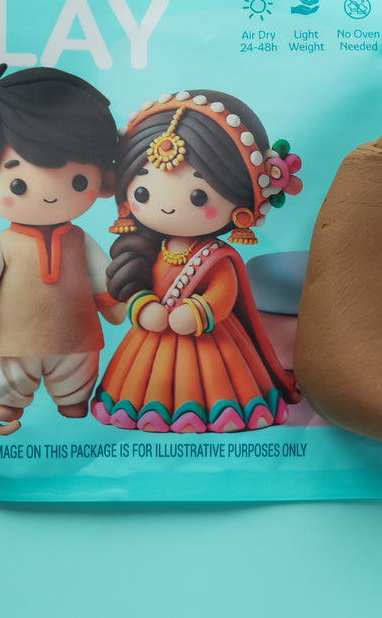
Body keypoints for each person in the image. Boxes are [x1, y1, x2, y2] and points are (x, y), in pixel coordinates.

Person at [92, 89, 303, 434]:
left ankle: (213, 414)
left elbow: (223, 293)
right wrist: (142, 305)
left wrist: (198, 312)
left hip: (208, 338)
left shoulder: (218, 258)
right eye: (143, 192)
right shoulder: (147, 250)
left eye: (198, 195)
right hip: (153, 336)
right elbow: (137, 284)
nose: (168, 206)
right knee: (142, 386)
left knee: (216, 387)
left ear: (242, 202)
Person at [0, 64, 125, 422]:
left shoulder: (82, 243)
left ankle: (74, 400)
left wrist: (113, 302)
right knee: (8, 381)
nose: (49, 194)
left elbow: (102, 278)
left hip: (77, 338)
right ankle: (8, 402)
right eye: (18, 184)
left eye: (78, 180)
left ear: (106, 182)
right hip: (13, 339)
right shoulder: (3, 247)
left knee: (77, 377)